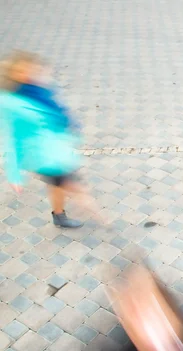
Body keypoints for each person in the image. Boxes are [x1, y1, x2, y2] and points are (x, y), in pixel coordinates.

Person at [0, 51, 101, 228]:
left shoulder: (37, 88)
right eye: (22, 71)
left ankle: (59, 215)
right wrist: (14, 173)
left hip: (56, 149)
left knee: (58, 186)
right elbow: (12, 138)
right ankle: (105, 223)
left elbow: (56, 111)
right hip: (44, 156)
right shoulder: (12, 102)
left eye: (30, 69)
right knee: (76, 190)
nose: (28, 74)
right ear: (13, 75)